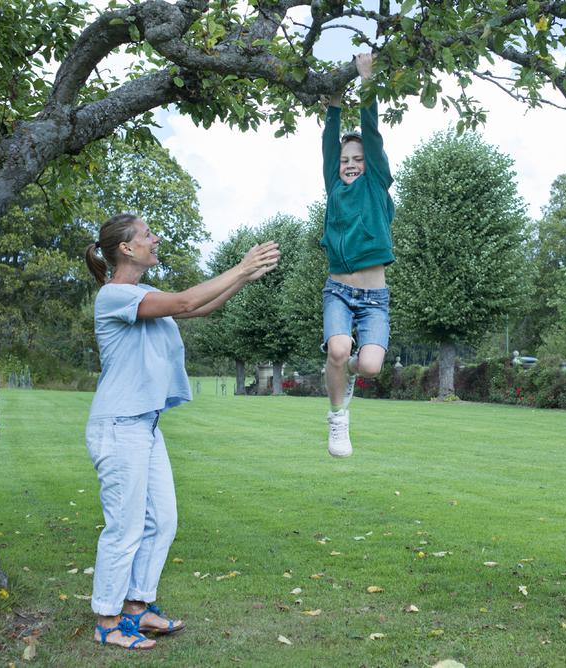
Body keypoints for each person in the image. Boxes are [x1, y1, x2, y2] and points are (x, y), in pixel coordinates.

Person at [83, 213, 280, 651]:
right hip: (118, 425)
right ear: (126, 249)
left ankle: (137, 606)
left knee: (163, 520)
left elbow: (203, 306)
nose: (156, 239)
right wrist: (242, 266)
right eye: (147, 235)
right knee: (125, 527)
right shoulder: (114, 296)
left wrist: (245, 278)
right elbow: (187, 303)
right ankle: (108, 619)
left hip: (146, 425)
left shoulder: (144, 292)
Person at [321, 52, 395, 458]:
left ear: (370, 165)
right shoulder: (334, 186)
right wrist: (334, 100)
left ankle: (346, 374)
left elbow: (372, 133)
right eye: (345, 160)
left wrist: (366, 81)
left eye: (357, 159)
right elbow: (329, 146)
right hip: (338, 290)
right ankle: (337, 419)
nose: (349, 164)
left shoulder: (376, 185)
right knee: (336, 349)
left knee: (368, 366)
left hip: (375, 299)